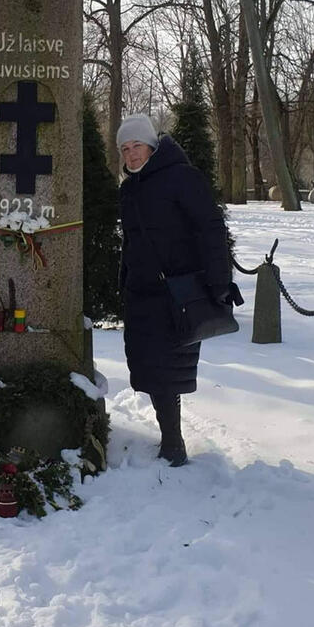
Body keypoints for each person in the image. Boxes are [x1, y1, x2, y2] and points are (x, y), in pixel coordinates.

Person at [117, 114, 232, 466]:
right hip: (141, 292)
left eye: (137, 146)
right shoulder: (128, 188)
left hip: (176, 291)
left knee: (167, 370)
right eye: (125, 149)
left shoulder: (182, 178)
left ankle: (173, 443)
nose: (132, 154)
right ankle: (170, 437)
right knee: (148, 368)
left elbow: (210, 229)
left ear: (152, 146)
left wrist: (218, 280)